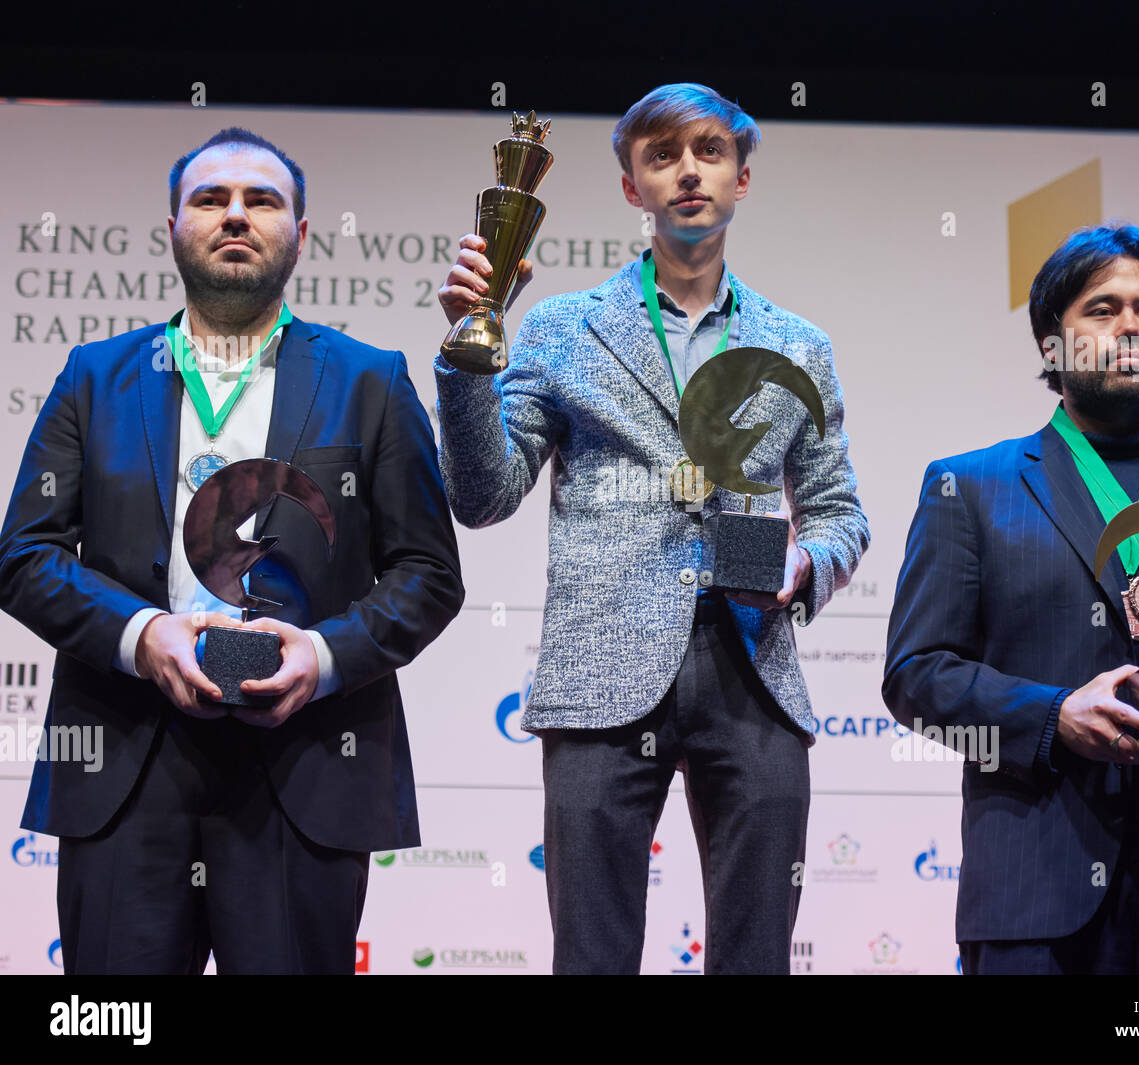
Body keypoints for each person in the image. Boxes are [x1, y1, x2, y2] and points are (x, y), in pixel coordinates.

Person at [0, 128, 464, 974]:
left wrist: (321, 655)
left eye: (263, 200)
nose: (237, 215)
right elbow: (23, 554)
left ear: (302, 232)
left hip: (306, 761)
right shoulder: (94, 377)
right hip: (125, 757)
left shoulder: (371, 381)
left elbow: (429, 574)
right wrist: (143, 634)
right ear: (173, 228)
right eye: (211, 199)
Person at [435, 84, 869, 974]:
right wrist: (465, 358)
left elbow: (837, 512)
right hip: (600, 671)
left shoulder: (799, 343)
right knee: (592, 956)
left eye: (709, 152)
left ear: (743, 178)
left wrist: (803, 563)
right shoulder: (562, 327)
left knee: (756, 959)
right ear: (633, 187)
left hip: (754, 668)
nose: (689, 173)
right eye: (663, 156)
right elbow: (485, 495)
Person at [882, 222, 1139, 974]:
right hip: (1035, 899)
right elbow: (916, 673)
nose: (1131, 326)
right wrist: (1053, 716)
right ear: (1052, 344)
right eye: (1102, 309)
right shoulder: (970, 488)